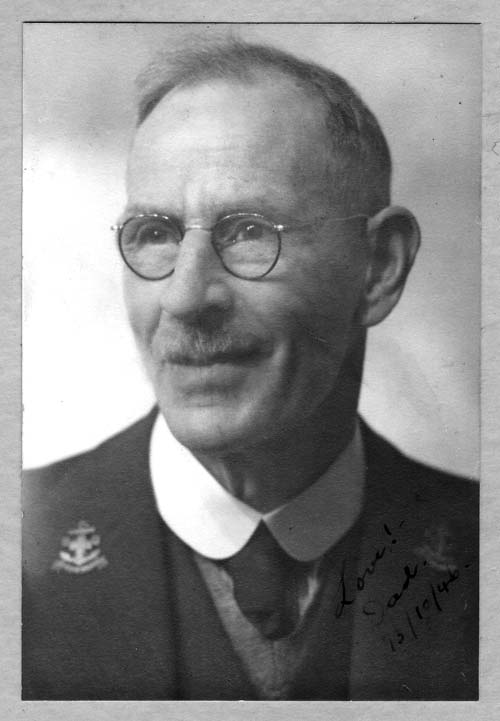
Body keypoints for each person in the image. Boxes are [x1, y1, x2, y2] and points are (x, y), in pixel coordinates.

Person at [22, 39, 478, 701]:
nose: (184, 297)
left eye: (249, 231)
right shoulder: (20, 550)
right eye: (156, 234)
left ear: (379, 267)